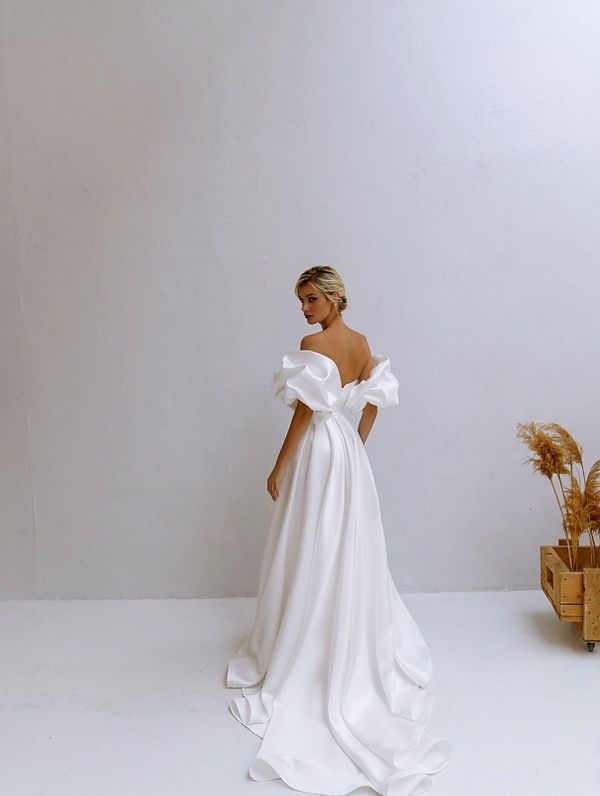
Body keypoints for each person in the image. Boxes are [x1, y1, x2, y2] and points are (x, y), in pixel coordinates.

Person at [226, 265, 452, 795]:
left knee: (313, 541)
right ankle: (338, 629)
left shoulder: (315, 343)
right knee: (343, 543)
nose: (304, 309)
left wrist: (280, 466)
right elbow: (375, 394)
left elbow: (305, 412)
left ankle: (309, 637)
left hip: (321, 450)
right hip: (347, 452)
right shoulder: (362, 342)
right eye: (300, 301)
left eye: (310, 299)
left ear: (333, 298)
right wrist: (358, 440)